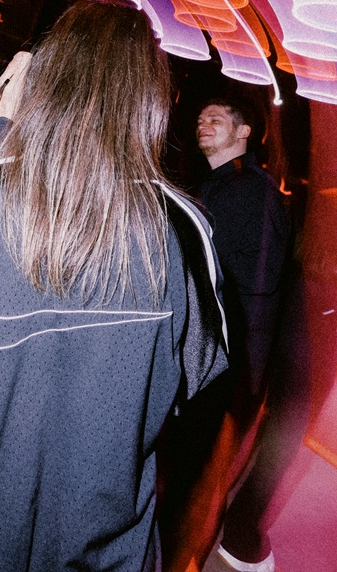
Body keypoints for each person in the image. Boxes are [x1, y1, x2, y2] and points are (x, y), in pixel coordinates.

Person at [0, 0, 228, 572]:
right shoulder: (184, 230)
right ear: (151, 101)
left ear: (45, 80)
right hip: (92, 535)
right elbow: (195, 382)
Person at [195, 99, 290, 572]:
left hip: (230, 359)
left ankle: (223, 547)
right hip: (208, 354)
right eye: (201, 119)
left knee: (207, 468)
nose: (204, 124)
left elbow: (263, 281)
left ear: (244, 131)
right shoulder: (211, 186)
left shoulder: (256, 191)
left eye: (216, 119)